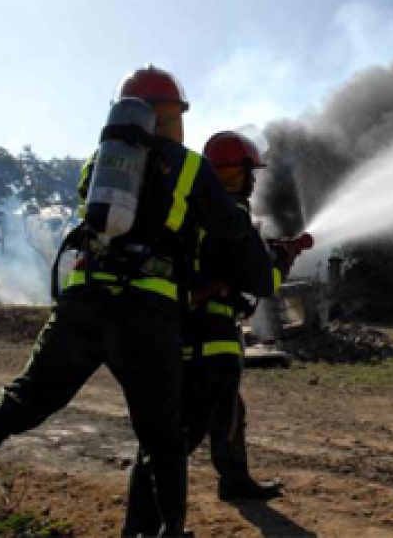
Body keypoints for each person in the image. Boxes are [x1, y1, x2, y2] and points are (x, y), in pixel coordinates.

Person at [0, 66, 248, 538]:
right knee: (163, 438)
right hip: (146, 315)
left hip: (83, 303)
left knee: (17, 401)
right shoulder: (191, 166)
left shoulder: (99, 165)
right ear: (167, 114)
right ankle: (170, 534)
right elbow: (231, 231)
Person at [122, 130, 302, 535]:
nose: (254, 179)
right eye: (248, 171)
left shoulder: (192, 209)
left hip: (188, 333)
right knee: (174, 440)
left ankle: (233, 480)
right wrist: (281, 260)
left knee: (227, 414)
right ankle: (145, 528)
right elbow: (263, 282)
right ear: (233, 172)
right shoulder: (226, 218)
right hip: (208, 340)